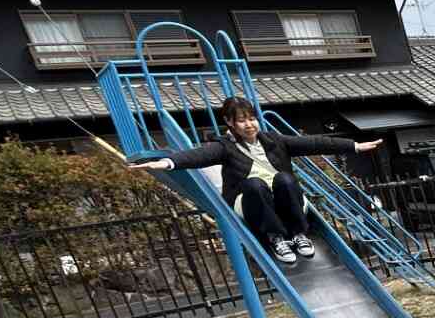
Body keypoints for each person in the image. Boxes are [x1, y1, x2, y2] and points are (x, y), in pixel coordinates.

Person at [129, 96, 381, 266]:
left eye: (251, 118)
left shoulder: (274, 140)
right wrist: (166, 163)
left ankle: (298, 233)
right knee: (254, 184)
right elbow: (199, 155)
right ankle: (276, 238)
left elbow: (314, 143)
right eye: (241, 120)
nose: (249, 124)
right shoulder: (224, 147)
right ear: (230, 123)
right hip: (252, 205)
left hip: (285, 201)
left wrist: (355, 146)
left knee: (284, 178)